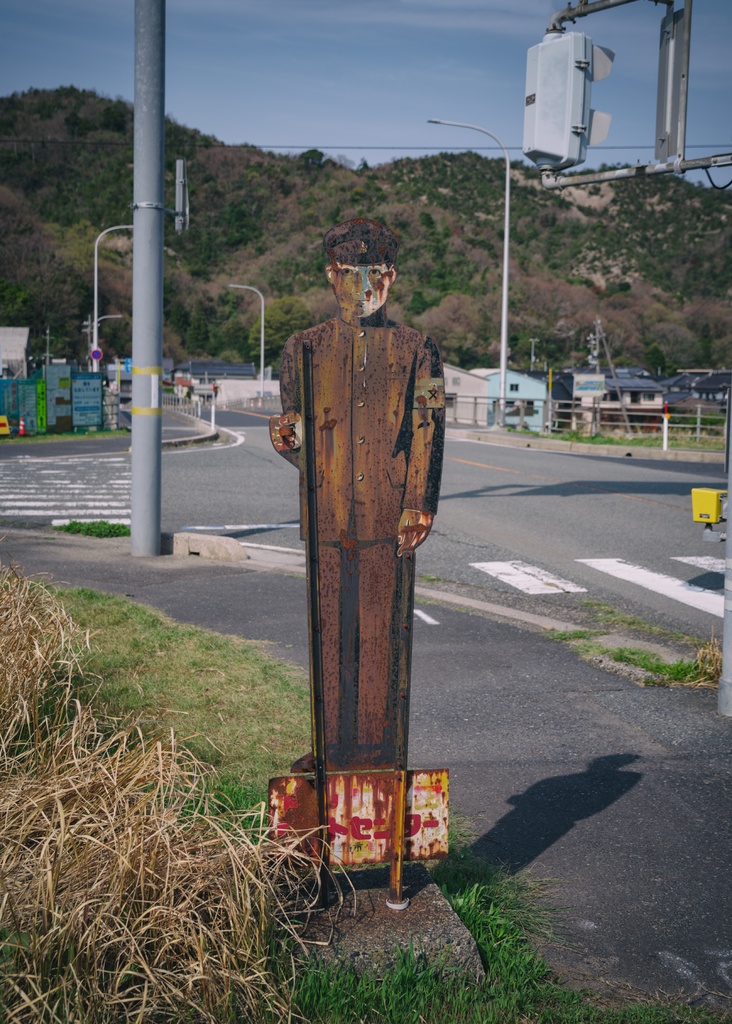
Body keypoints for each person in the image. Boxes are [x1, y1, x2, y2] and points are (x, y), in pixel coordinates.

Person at [270, 218, 444, 773]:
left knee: (380, 636)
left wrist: (420, 500)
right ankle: (330, 751)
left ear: (391, 278)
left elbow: (429, 427)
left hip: (390, 516)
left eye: (378, 275)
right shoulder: (303, 348)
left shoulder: (418, 348)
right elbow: (297, 433)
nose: (365, 287)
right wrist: (286, 439)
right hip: (325, 514)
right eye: (350, 274)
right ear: (332, 276)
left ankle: (376, 753)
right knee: (327, 638)